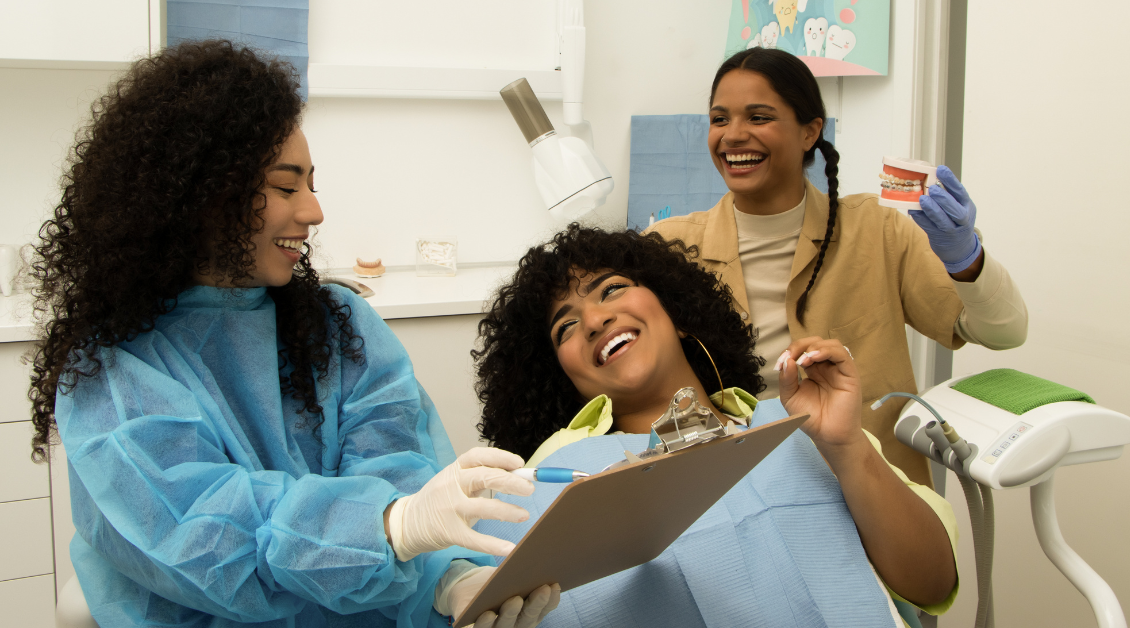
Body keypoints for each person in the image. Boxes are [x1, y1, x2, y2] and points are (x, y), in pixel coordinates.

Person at [26, 40, 556, 628]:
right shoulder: (116, 368)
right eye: (286, 187)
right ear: (201, 199)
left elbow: (398, 464)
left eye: (311, 183)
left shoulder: (337, 324)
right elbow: (207, 541)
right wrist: (388, 528)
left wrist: (447, 576)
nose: (314, 211)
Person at [472, 225, 957, 627]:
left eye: (612, 289)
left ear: (677, 314)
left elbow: (932, 581)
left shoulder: (804, 425)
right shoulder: (546, 477)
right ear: (565, 379)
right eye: (565, 327)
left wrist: (847, 446)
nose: (595, 319)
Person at [645, 48, 1028, 487]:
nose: (733, 135)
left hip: (874, 491)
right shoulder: (670, 249)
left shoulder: (877, 231)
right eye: (719, 119)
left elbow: (1006, 332)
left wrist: (966, 259)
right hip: (734, 490)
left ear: (810, 132)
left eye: (758, 117)